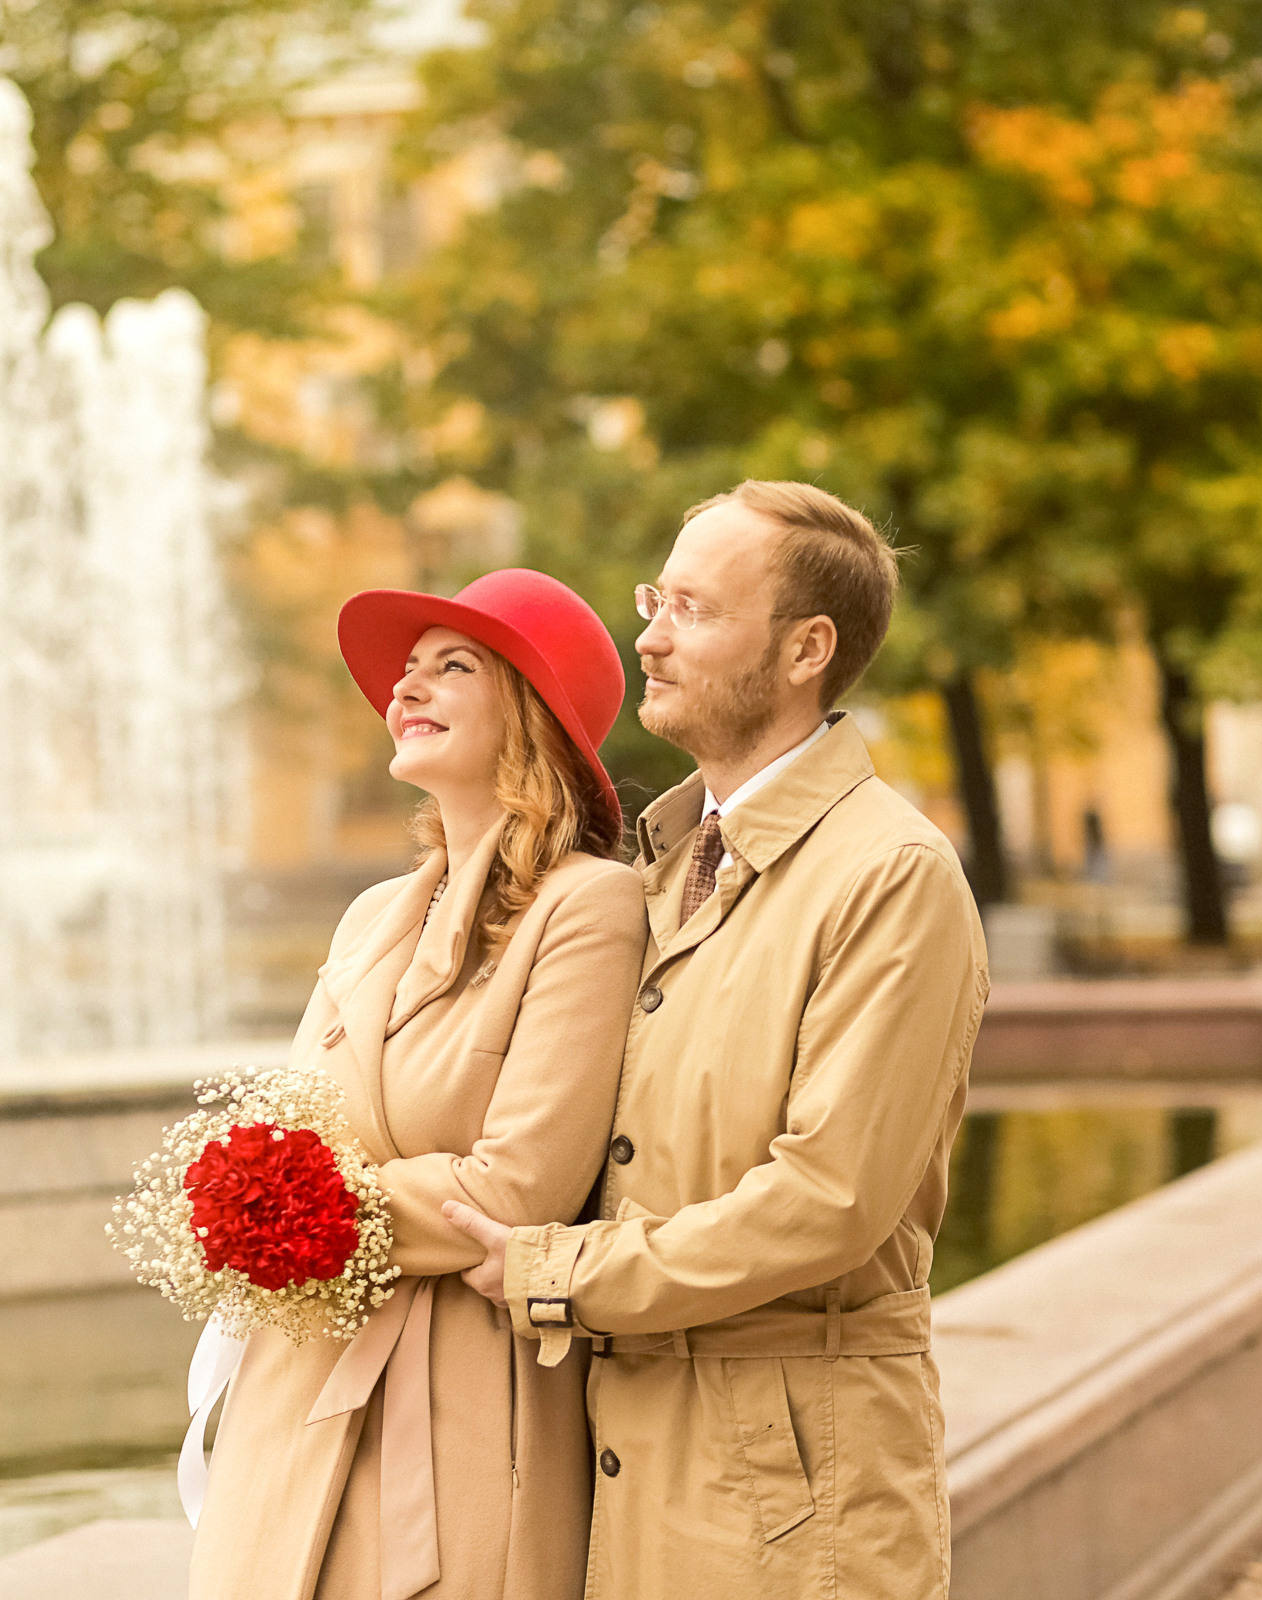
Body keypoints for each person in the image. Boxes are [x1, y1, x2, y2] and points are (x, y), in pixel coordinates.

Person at [445, 481, 991, 1600]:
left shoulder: (891, 874)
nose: (649, 637)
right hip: (626, 1456)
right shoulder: (658, 863)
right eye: (656, 600)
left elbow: (829, 1198)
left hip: (792, 1495)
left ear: (806, 650)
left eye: (692, 610)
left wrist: (555, 1271)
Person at [187, 569, 649, 1600]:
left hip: (459, 1393)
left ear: (530, 711)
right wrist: (255, 1202)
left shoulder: (589, 906)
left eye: (454, 666)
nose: (407, 687)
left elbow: (516, 1189)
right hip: (296, 1381)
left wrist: (305, 1216)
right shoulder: (371, 916)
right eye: (407, 669)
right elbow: (290, 1131)